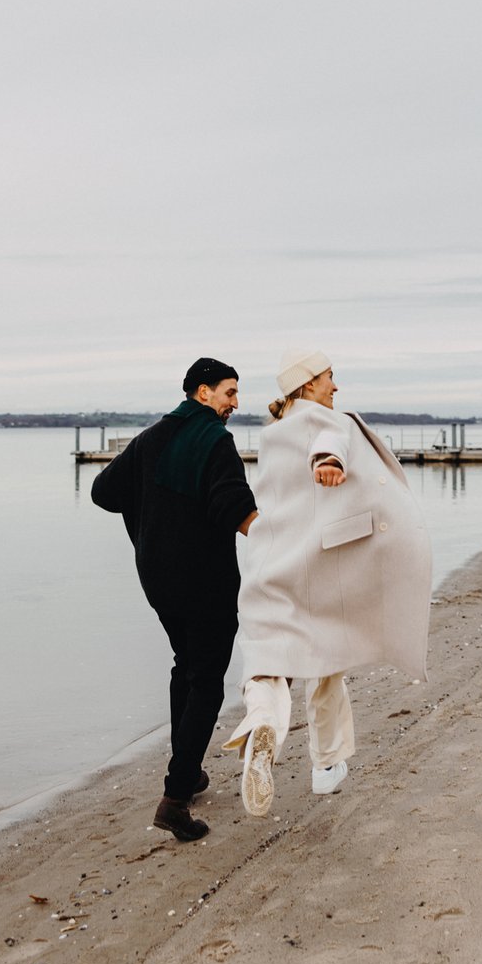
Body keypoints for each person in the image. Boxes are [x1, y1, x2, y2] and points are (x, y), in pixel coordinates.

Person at [223, 349, 432, 816]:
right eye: (330, 378)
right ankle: (326, 766)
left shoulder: (273, 434)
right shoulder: (323, 419)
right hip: (315, 564)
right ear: (309, 385)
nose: (335, 387)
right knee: (323, 659)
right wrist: (329, 464)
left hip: (269, 562)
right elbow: (329, 443)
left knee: (264, 657)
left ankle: (263, 726)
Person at [91, 357, 258, 842]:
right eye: (229, 392)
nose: (234, 402)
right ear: (201, 393)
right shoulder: (215, 439)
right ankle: (176, 797)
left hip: (157, 578)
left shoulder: (150, 437)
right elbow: (233, 506)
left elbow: (104, 491)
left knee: (185, 666)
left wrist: (154, 519)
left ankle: (188, 769)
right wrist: (278, 541)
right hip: (204, 581)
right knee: (207, 680)